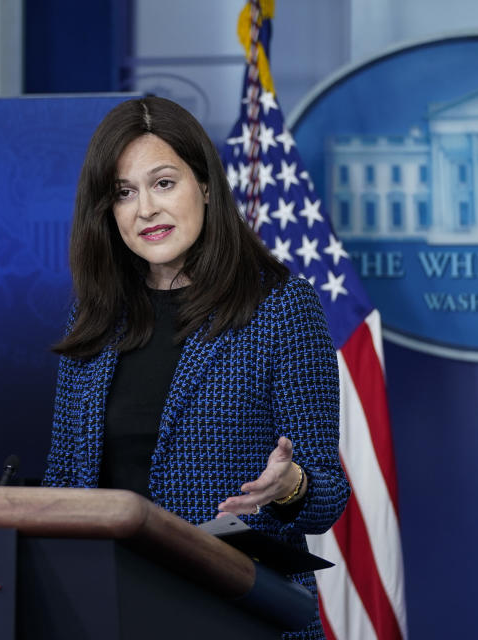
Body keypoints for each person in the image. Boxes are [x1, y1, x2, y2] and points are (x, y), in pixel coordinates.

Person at [42, 96, 349, 639]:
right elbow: (65, 481)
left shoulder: (281, 307)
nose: (145, 210)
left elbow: (326, 495)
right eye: (124, 193)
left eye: (164, 183)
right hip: (111, 612)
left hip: (238, 616)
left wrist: (288, 486)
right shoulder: (95, 317)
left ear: (204, 185)